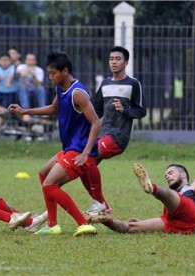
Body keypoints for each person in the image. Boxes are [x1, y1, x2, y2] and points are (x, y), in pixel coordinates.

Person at [8, 51, 101, 237]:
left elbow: (96, 122)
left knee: (50, 185)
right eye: (49, 73)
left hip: (80, 151)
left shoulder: (78, 93)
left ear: (65, 71)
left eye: (53, 73)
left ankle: (83, 224)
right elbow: (53, 108)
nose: (50, 77)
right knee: (43, 174)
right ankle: (52, 225)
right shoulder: (61, 88)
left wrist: (86, 152)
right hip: (70, 148)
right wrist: (25, 111)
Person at [85, 163, 195, 234]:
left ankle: (152, 188)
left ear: (183, 175)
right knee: (130, 227)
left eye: (170, 173)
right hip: (173, 221)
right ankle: (103, 219)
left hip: (190, 213)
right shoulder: (175, 196)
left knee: (171, 196)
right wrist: (142, 221)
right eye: (166, 175)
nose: (168, 176)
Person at [81, 46, 147, 215]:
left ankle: (100, 204)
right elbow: (96, 111)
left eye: (118, 59)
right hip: (102, 134)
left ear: (126, 62)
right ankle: (102, 205)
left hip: (118, 137)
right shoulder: (105, 83)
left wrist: (124, 110)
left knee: (87, 158)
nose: (114, 62)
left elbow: (141, 111)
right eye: (111, 59)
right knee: (81, 167)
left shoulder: (133, 83)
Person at [16, 53, 47, 125]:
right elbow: (17, 73)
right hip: (22, 92)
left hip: (34, 91)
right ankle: (25, 112)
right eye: (29, 60)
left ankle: (43, 111)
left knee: (41, 89)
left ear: (35, 61)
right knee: (22, 87)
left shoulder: (39, 70)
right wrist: (21, 73)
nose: (31, 62)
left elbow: (38, 84)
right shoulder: (21, 67)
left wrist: (33, 75)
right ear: (25, 61)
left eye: (33, 60)